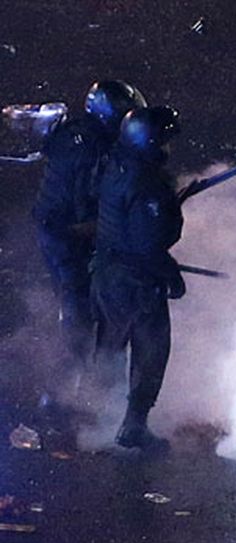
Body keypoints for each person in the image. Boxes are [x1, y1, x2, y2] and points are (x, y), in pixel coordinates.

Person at [33, 80, 146, 384]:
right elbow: (85, 204)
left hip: (74, 228)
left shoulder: (91, 138)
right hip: (63, 232)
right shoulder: (82, 149)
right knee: (76, 300)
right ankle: (72, 380)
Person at [91, 105, 183, 451]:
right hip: (137, 282)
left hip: (107, 273)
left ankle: (85, 412)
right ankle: (133, 426)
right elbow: (148, 245)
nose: (169, 148)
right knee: (151, 352)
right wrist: (170, 275)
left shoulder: (118, 163)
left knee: (109, 343)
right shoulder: (148, 186)